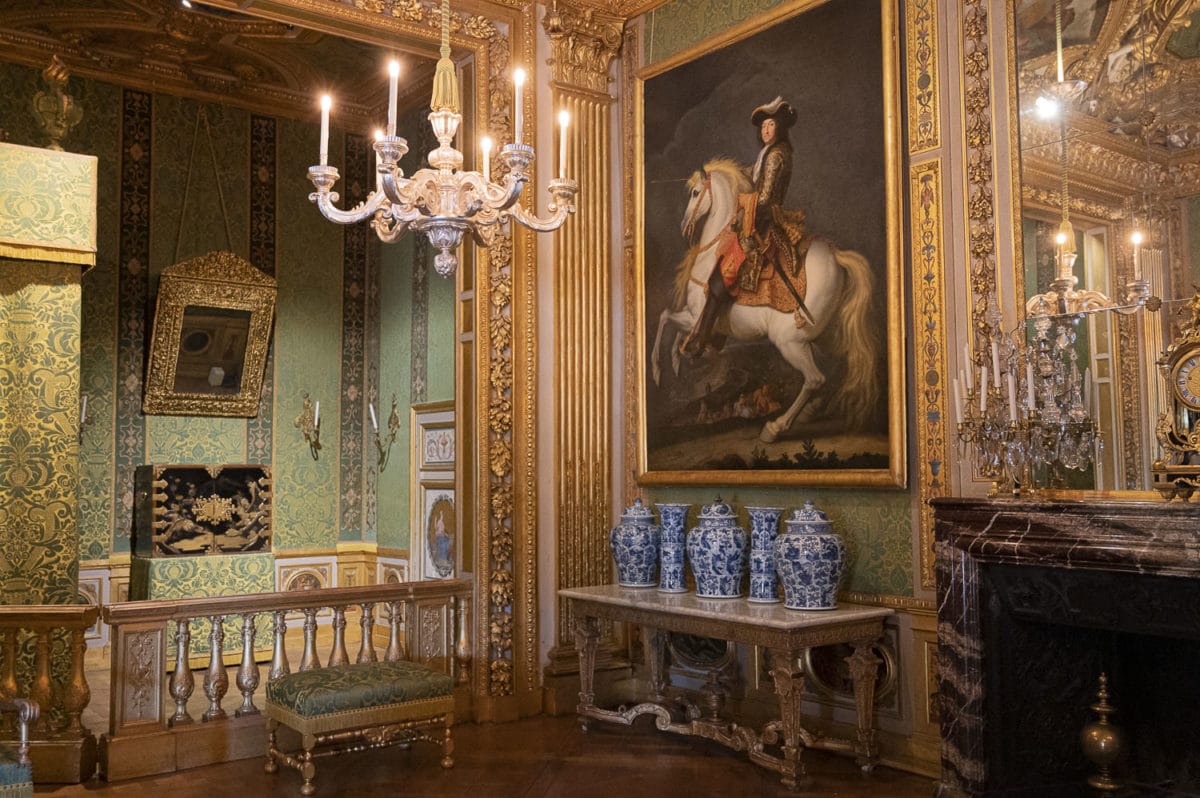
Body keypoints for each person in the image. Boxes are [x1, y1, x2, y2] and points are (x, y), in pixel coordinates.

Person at [682, 96, 806, 357]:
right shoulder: (766, 154)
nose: (766, 130)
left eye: (771, 125)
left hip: (763, 219)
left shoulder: (777, 156)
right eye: (763, 127)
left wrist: (739, 214)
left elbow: (764, 198)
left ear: (780, 128)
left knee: (721, 276)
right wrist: (728, 177)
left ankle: (704, 339)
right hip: (756, 216)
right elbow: (752, 175)